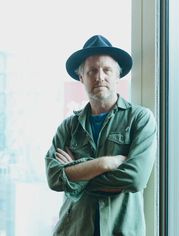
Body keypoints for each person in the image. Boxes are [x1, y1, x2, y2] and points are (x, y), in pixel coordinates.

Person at [45, 35, 157, 236]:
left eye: (107, 70)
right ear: (81, 78)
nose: (99, 77)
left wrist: (76, 174)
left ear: (117, 75)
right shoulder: (68, 127)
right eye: (92, 71)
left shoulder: (140, 119)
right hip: (73, 231)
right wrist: (104, 163)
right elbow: (54, 179)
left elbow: (135, 179)